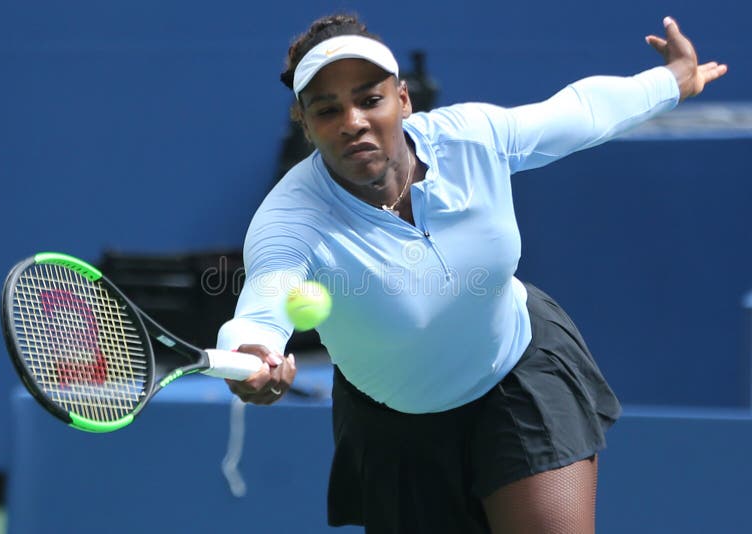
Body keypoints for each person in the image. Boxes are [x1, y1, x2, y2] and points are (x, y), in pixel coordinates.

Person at [214, 13, 727, 534]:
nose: (353, 122)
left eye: (370, 100)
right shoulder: (290, 221)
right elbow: (262, 304)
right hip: (398, 428)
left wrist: (672, 80)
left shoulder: (471, 139)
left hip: (518, 376)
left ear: (404, 99)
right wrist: (255, 350)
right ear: (304, 120)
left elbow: (581, 112)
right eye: (328, 110)